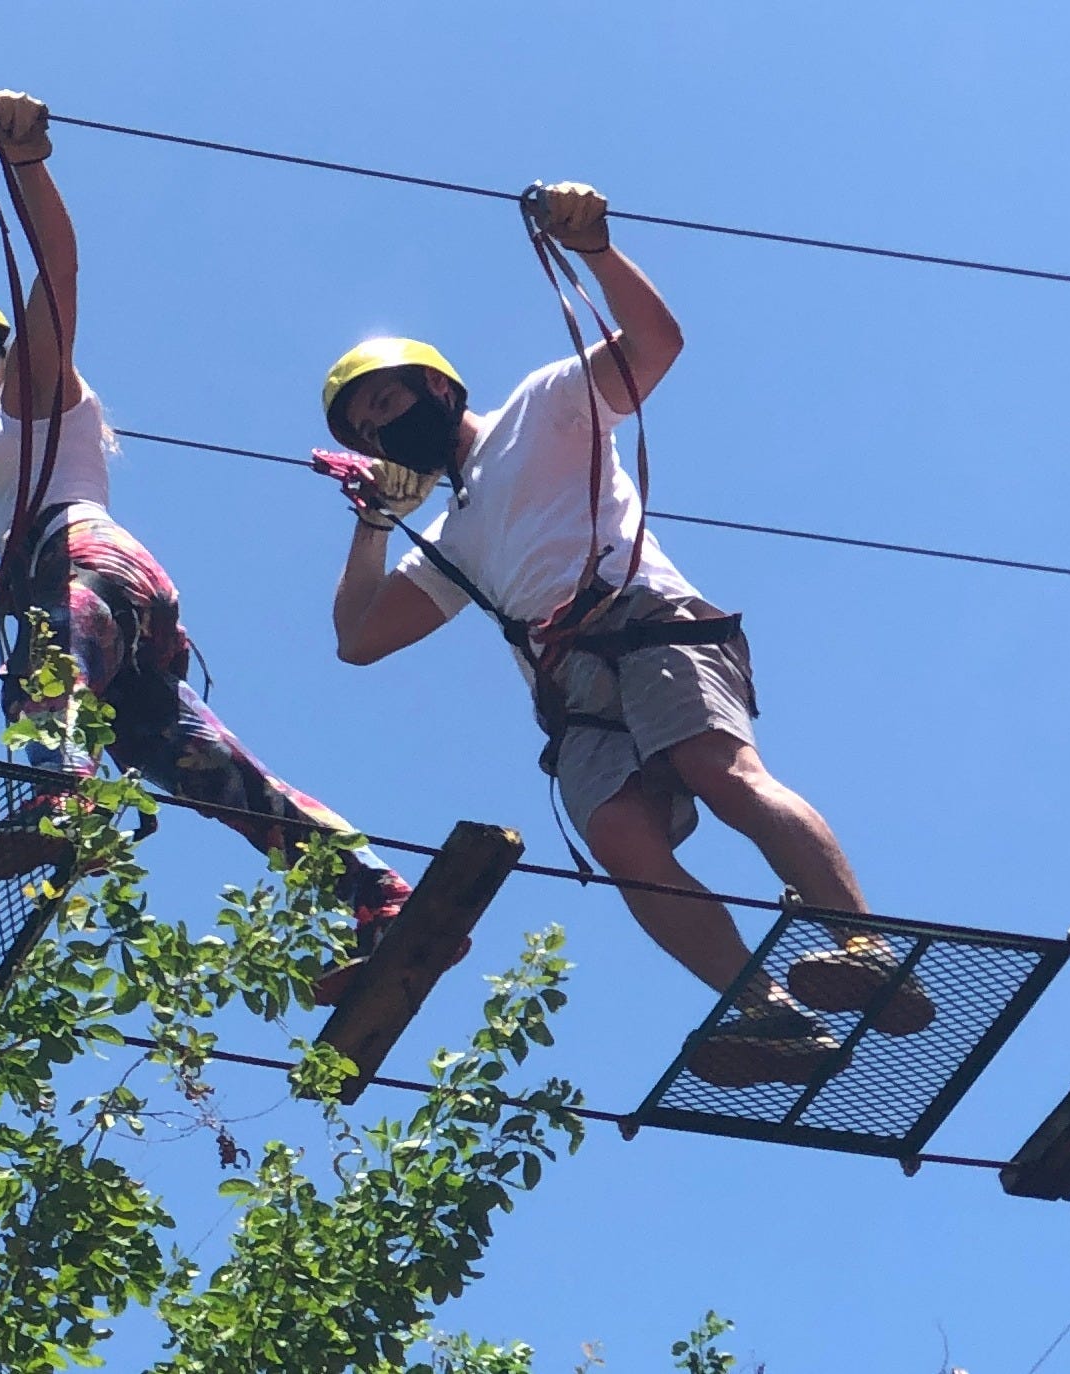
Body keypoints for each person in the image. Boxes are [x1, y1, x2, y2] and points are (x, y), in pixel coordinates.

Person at [312, 181, 925, 1085]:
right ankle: (771, 1016)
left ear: (437, 386)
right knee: (622, 841)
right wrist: (370, 522)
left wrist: (596, 249)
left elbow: (656, 345)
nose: (384, 432)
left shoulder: (542, 402)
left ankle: (862, 944)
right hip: (573, 690)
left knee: (720, 773)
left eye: (388, 406)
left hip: (645, 621)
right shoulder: (450, 538)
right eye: (368, 432)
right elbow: (357, 639)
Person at [0, 89, 415, 986]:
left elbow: (59, 270)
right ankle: (377, 895)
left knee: (40, 669)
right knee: (215, 775)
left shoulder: (33, 395)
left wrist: (27, 162)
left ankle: (62, 799)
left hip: (91, 570)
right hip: (125, 636)